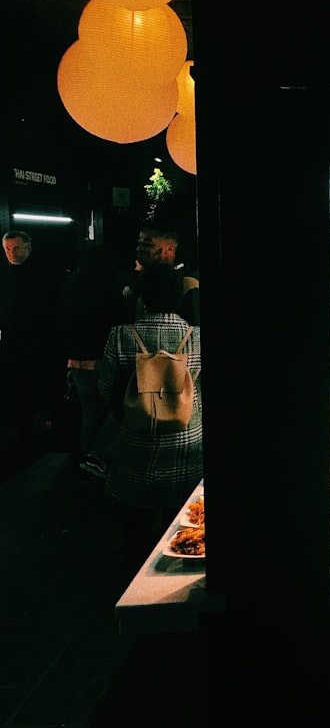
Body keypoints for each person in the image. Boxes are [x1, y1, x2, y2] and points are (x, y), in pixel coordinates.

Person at [99, 263, 203, 565]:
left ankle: (136, 583)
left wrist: (128, 417)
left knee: (136, 524)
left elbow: (106, 388)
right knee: (184, 522)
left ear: (142, 296)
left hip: (137, 443)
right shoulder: (197, 336)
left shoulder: (121, 336)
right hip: (188, 443)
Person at [58, 242, 131, 479]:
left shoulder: (71, 287)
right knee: (117, 408)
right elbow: (118, 321)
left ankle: (85, 457)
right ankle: (96, 455)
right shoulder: (111, 287)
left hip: (77, 360)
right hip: (103, 359)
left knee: (89, 409)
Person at [0, 229, 61, 456]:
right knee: (20, 391)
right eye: (7, 249)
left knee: (37, 389)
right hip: (16, 345)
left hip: (38, 344)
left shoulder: (43, 276)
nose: (11, 253)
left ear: (28, 248)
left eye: (16, 248)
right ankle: (28, 435)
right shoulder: (7, 275)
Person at [125, 226, 200, 326]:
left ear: (169, 249)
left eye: (148, 244)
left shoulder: (189, 284)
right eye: (139, 243)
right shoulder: (141, 281)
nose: (139, 248)